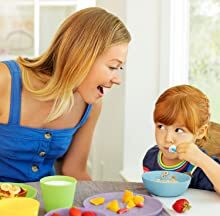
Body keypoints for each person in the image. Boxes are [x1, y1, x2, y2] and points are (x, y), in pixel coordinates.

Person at [0, 7, 131, 182]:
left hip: (47, 205)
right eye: (113, 67)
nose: (117, 79)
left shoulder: (90, 105)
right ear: (82, 57)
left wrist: (97, 205)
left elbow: (74, 171)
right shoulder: (5, 80)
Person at [143, 85, 220, 193]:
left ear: (200, 132)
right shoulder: (151, 157)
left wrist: (202, 160)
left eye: (179, 130)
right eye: (161, 127)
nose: (168, 139)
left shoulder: (201, 165)